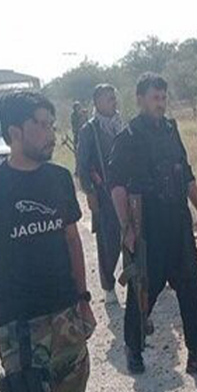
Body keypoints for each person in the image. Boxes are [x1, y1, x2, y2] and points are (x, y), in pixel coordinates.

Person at [0, 91, 95, 392]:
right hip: (20, 333)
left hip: (67, 319)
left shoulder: (59, 179)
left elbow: (73, 241)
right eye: (41, 126)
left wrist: (83, 301)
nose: (51, 135)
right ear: (15, 132)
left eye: (51, 125)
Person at [108, 72, 197, 376]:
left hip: (178, 223)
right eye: (155, 98)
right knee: (143, 290)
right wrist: (127, 229)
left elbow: (185, 172)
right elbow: (116, 186)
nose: (160, 103)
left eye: (163, 98)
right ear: (140, 99)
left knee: (190, 288)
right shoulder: (128, 136)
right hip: (148, 228)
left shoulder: (171, 129)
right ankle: (134, 349)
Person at [76, 84, 125, 304]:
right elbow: (82, 166)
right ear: (97, 103)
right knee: (109, 241)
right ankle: (108, 286)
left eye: (114, 97)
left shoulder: (122, 125)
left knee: (134, 235)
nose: (113, 102)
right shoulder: (89, 130)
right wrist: (90, 192)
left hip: (127, 191)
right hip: (104, 195)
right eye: (108, 99)